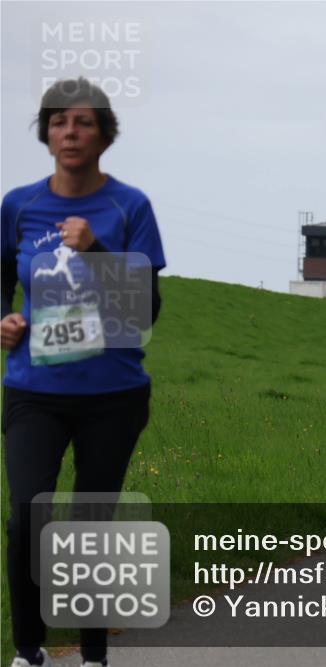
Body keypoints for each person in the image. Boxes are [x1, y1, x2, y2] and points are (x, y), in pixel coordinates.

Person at [1, 78, 166, 667]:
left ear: (104, 135)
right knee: (27, 517)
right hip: (33, 390)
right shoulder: (18, 205)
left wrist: (96, 250)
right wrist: (6, 320)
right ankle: (29, 651)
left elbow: (146, 310)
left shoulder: (129, 207)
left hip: (113, 394)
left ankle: (93, 654)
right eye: (58, 122)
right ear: (46, 134)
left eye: (84, 123)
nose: (69, 133)